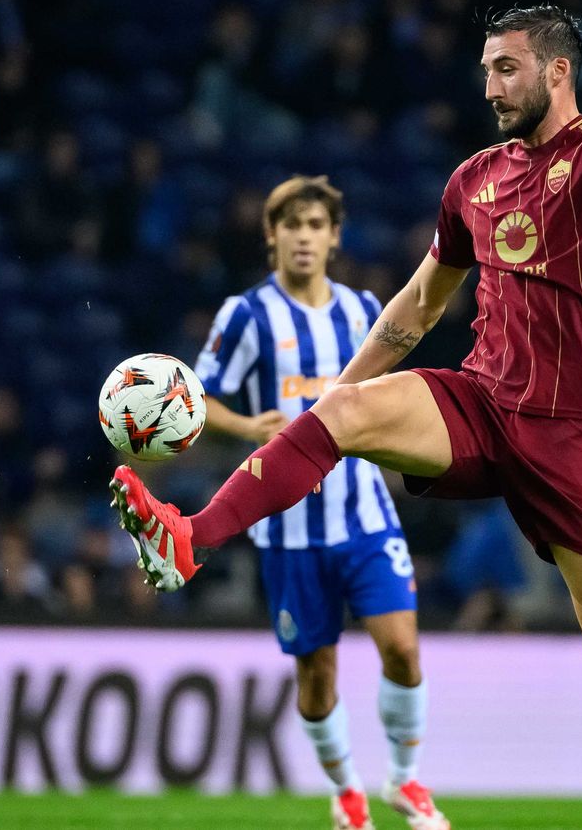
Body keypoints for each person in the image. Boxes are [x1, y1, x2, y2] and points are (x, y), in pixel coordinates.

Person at [110, 4, 582, 830]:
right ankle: (189, 539)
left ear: (556, 72)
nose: (490, 87)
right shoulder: (473, 179)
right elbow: (416, 307)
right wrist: (332, 399)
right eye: (485, 70)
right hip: (481, 401)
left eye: (506, 69)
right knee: (347, 411)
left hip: (576, 429)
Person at [190, 175, 447, 830]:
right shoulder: (246, 314)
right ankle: (346, 791)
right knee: (316, 677)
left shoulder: (363, 310)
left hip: (363, 514)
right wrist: (249, 427)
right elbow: (198, 396)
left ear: (334, 238)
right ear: (271, 235)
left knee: (403, 649)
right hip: (288, 531)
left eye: (315, 226)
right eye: (292, 225)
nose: (303, 237)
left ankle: (405, 780)